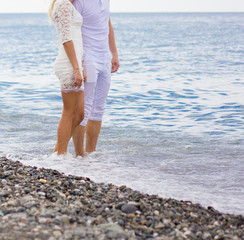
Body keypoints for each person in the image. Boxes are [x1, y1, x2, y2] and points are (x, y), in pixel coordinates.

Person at [72, 0, 120, 157]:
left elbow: (107, 25)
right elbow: (72, 32)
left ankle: (91, 153)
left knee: (99, 108)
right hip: (88, 58)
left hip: (104, 58)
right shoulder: (80, 2)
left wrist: (114, 54)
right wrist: (80, 64)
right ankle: (79, 155)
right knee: (83, 109)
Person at [48, 0, 87, 155]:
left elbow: (76, 39)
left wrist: (81, 67)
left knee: (80, 114)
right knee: (69, 111)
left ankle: (57, 151)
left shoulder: (69, 4)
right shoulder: (62, 4)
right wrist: (76, 68)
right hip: (68, 64)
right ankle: (60, 156)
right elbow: (66, 39)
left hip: (75, 63)